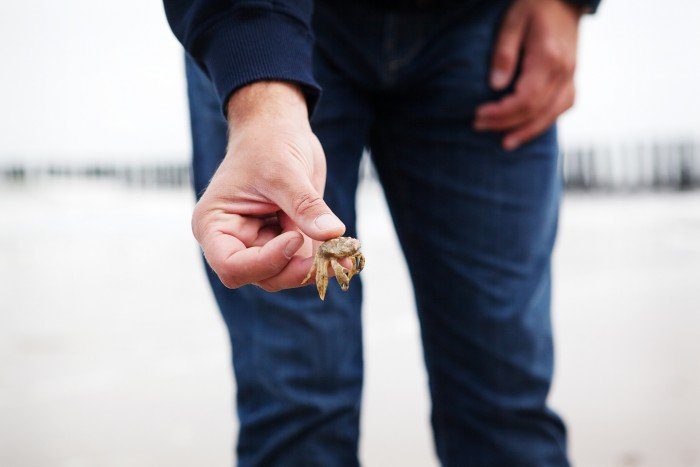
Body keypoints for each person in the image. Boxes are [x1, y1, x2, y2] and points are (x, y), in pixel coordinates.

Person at [164, 0, 600, 464]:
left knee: (505, 398)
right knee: (296, 401)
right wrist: (260, 94)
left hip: (486, 25)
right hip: (273, 25)